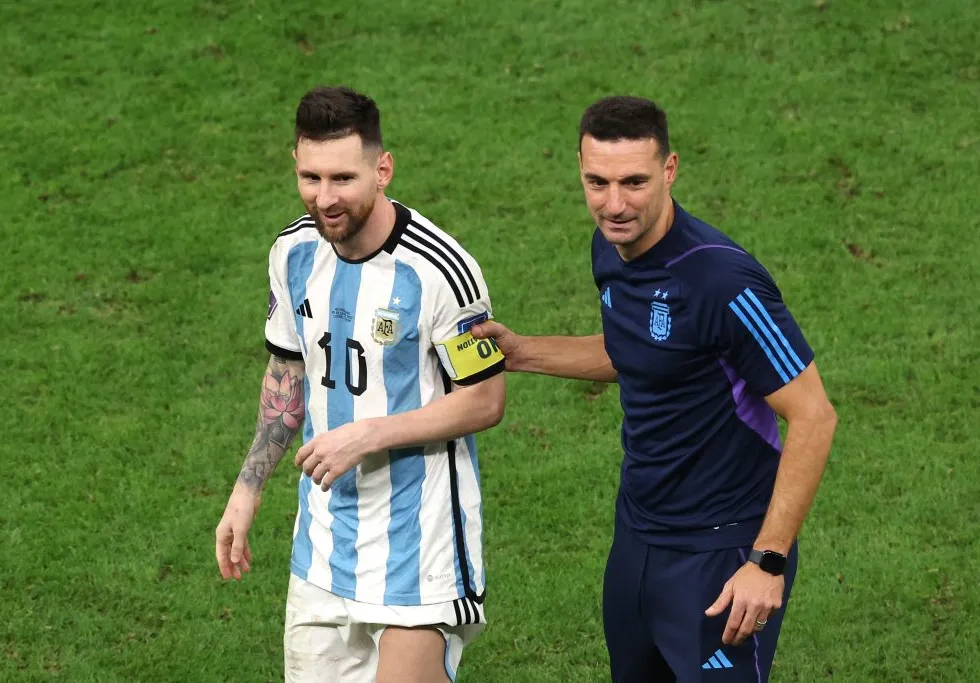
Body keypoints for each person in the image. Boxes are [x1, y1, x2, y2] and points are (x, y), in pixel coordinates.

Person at [470, 96, 837, 682]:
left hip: (721, 550)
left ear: (670, 170)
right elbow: (638, 352)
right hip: (638, 537)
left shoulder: (722, 281)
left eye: (634, 182)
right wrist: (523, 353)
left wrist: (768, 561)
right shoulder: (610, 248)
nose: (614, 204)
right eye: (597, 181)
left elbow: (814, 415)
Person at [215, 85, 506, 683]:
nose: (325, 198)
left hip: (418, 548)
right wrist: (247, 489)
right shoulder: (292, 253)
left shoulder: (443, 270)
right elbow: (286, 374)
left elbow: (485, 400)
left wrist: (365, 435)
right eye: (310, 177)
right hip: (322, 547)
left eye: (343, 178)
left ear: (383, 168)